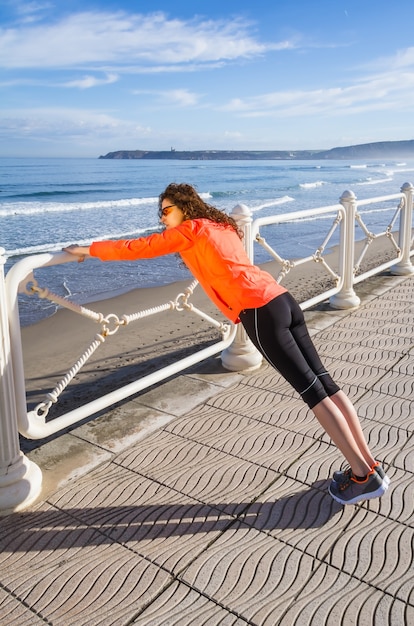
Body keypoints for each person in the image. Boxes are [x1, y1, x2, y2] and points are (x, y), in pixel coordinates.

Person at [64, 182, 390, 506]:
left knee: (313, 393)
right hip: (281, 299)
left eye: (166, 211)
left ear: (184, 207)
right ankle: (369, 465)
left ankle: (362, 476)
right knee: (325, 382)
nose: (162, 218)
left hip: (260, 312)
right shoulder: (219, 225)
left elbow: (138, 247)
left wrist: (88, 250)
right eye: (160, 213)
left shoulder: (190, 228)